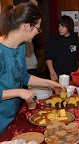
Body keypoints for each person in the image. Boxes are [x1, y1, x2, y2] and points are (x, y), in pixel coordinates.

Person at [0, 2, 64, 135]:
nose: (38, 32)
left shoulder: (21, 47)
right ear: (27, 26)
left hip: (11, 115)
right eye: (38, 28)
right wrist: (19, 92)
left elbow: (24, 77)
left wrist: (50, 83)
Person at [46, 15, 79, 81]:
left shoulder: (77, 40)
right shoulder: (53, 40)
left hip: (72, 74)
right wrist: (52, 72)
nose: (60, 29)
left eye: (63, 26)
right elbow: (48, 57)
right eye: (59, 26)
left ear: (68, 26)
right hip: (57, 74)